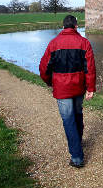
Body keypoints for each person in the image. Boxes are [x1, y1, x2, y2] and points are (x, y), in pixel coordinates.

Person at [39, 15, 95, 168]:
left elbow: (44, 68)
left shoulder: (53, 43)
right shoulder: (84, 43)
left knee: (68, 120)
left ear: (63, 26)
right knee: (77, 115)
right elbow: (89, 68)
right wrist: (90, 88)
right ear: (76, 26)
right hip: (78, 86)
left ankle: (77, 157)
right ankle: (78, 142)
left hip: (62, 88)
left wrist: (50, 82)